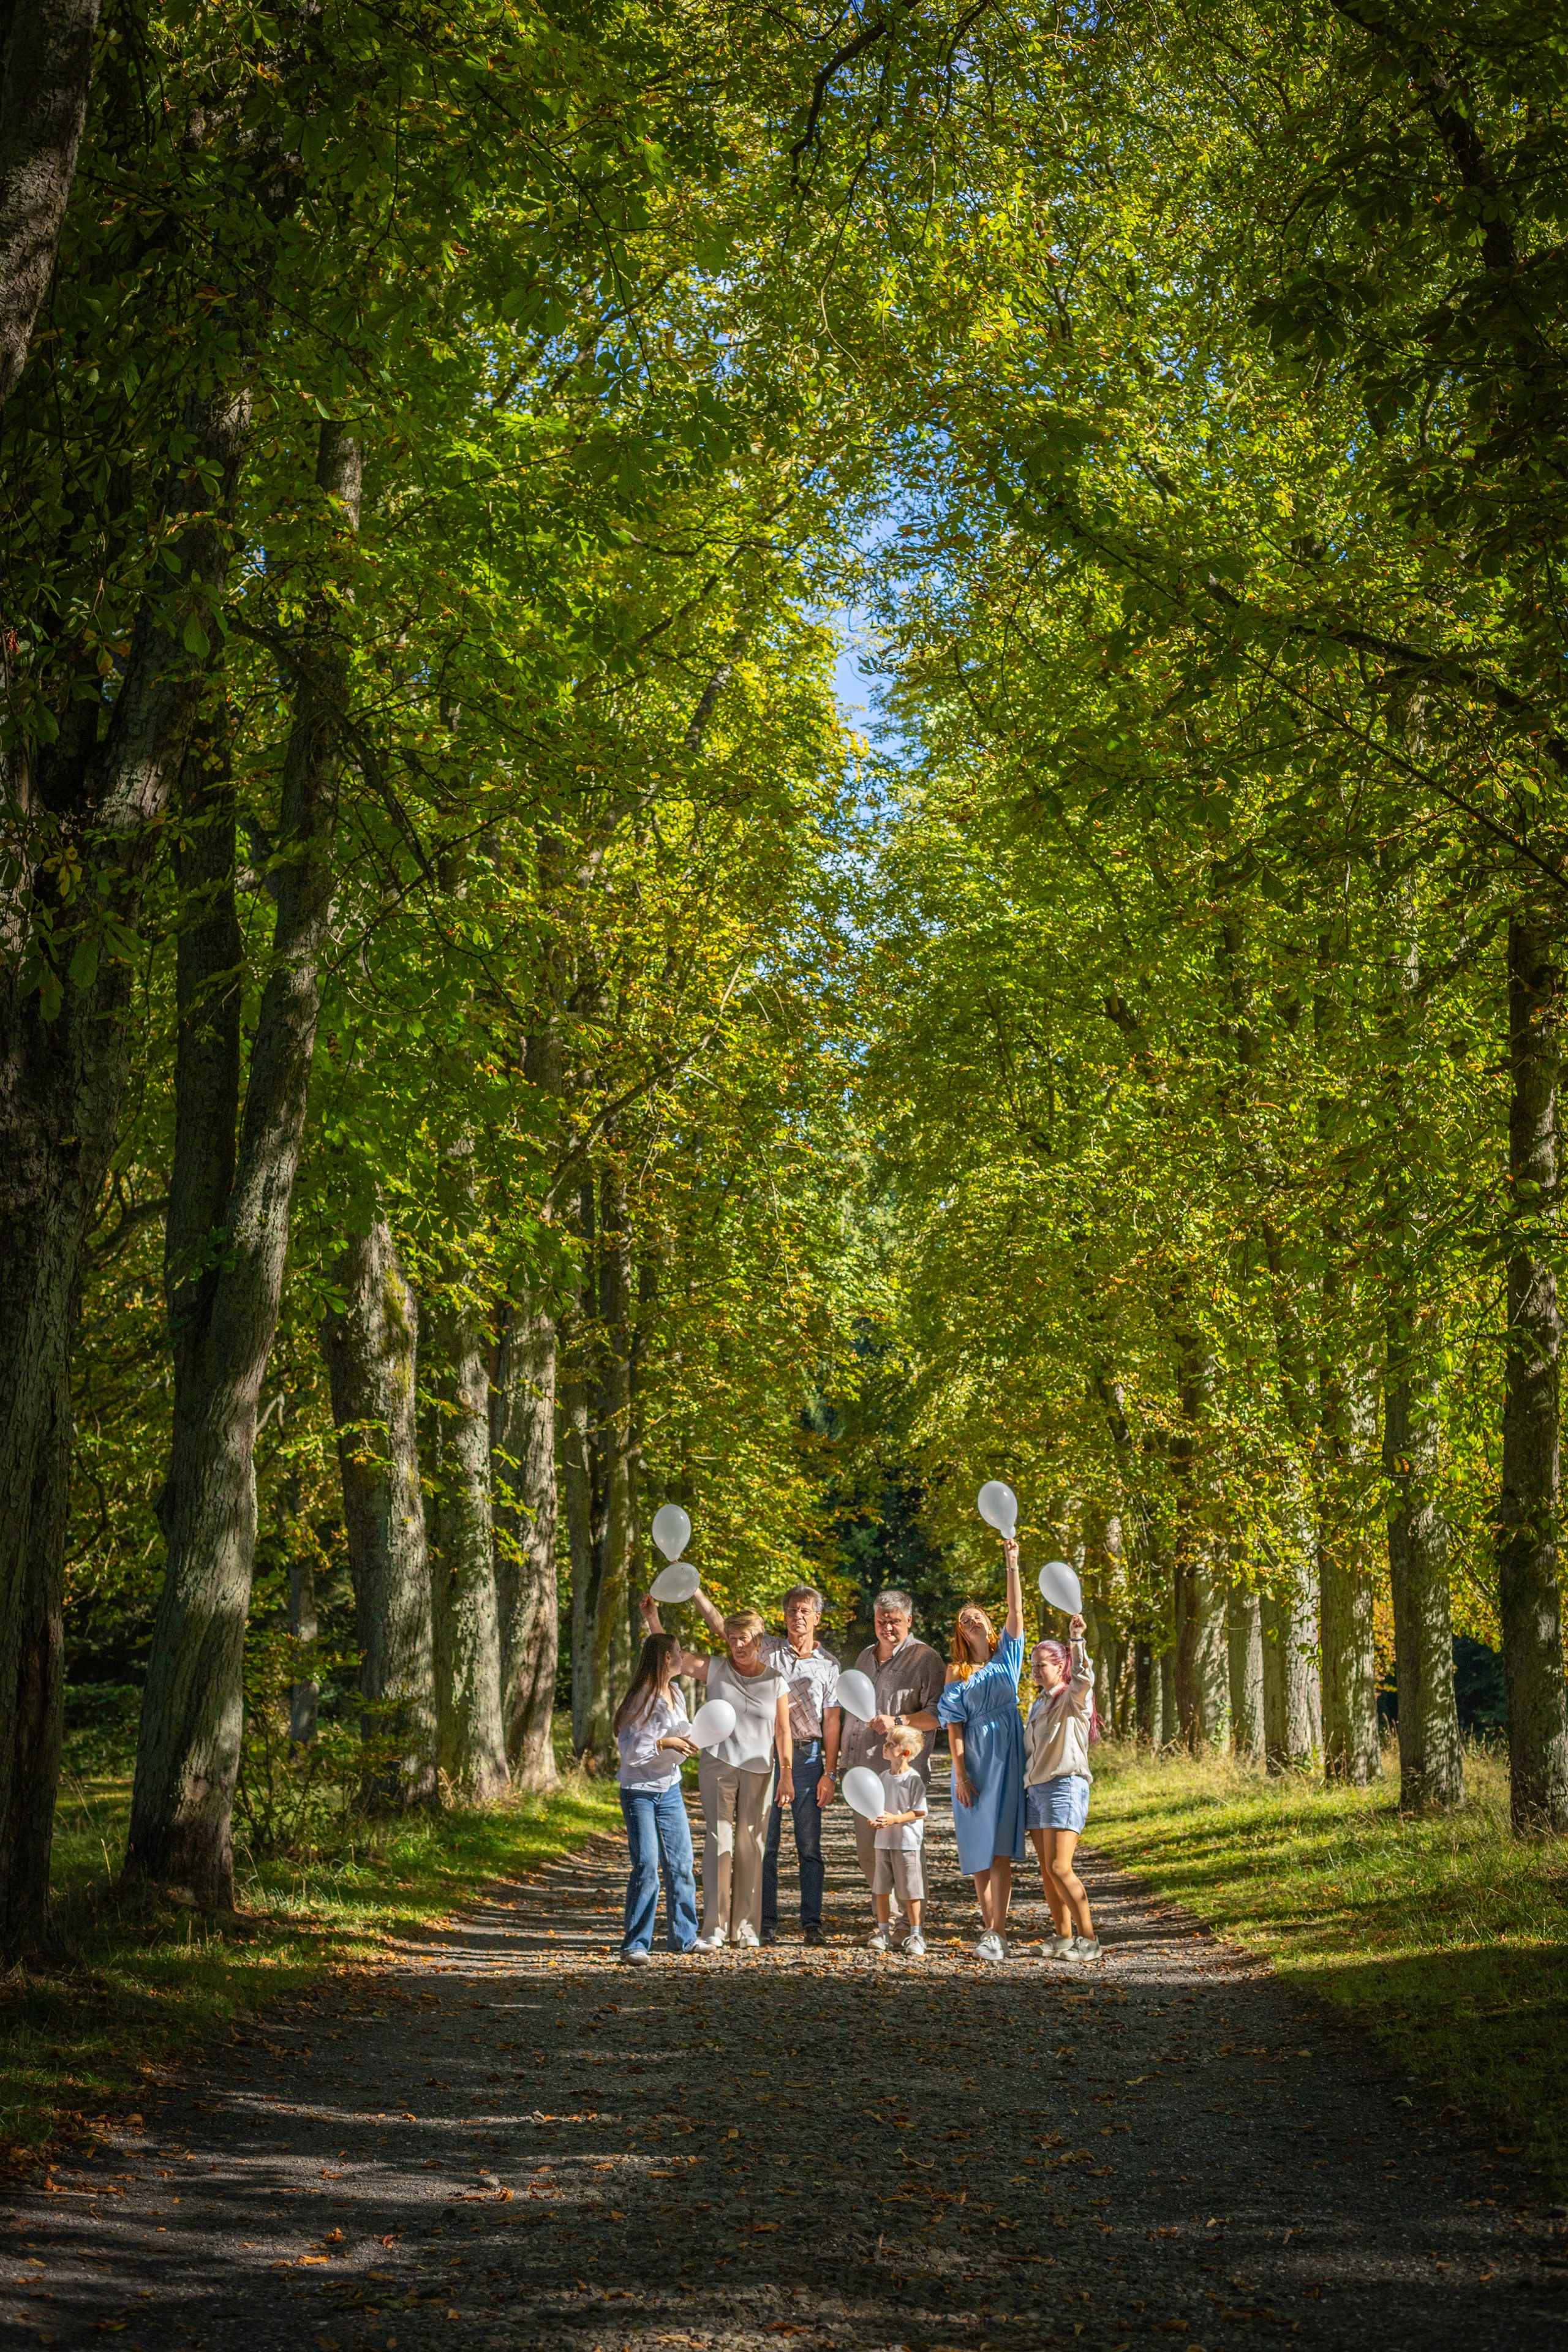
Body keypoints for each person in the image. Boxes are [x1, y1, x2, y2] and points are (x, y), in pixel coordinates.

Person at [689, 1581, 840, 1947]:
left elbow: (832, 1719)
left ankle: (811, 1924)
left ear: (817, 1618)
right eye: (791, 1611)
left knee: (809, 1846)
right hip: (763, 1752)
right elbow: (722, 1626)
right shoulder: (767, 1646)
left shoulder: (830, 1665)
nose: (797, 1617)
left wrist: (831, 1772)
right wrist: (694, 1590)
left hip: (807, 1756)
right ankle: (762, 1923)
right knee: (762, 1843)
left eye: (805, 1611)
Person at [639, 1594, 791, 1950]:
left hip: (760, 1769)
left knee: (752, 1845)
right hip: (718, 1766)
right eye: (733, 1639)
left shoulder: (776, 1681)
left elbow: (784, 1732)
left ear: (759, 1640)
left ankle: (747, 1927)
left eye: (745, 1639)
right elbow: (670, 1660)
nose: (738, 1645)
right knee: (718, 1841)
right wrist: (653, 1619)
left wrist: (786, 1773)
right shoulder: (716, 1668)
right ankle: (715, 1928)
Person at [933, 1534, 1027, 1959]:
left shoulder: (1009, 1655)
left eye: (977, 1617)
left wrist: (1012, 1564)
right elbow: (953, 1725)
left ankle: (998, 1931)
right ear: (960, 1630)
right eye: (964, 1619)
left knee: (999, 1847)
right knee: (977, 1847)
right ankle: (988, 1930)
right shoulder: (956, 1669)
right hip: (973, 1757)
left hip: (1007, 1756)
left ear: (989, 1624)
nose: (972, 1622)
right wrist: (960, 1773)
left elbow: (1017, 1610)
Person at [841, 1588, 946, 1941]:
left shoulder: (926, 1659)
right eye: (882, 1621)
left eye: (895, 1621)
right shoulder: (865, 1657)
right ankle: (885, 1927)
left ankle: (909, 1928)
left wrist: (899, 1722)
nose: (887, 1627)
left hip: (900, 1775)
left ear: (909, 1621)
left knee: (905, 1855)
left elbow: (937, 1715)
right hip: (862, 1773)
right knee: (869, 1854)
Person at [613, 1633, 700, 1964]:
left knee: (681, 1865)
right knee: (647, 1866)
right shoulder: (641, 1699)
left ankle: (685, 1939)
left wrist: (697, 1738)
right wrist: (668, 1743)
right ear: (666, 1658)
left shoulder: (676, 1693)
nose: (683, 1656)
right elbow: (630, 1752)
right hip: (639, 1793)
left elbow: (684, 1731)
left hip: (670, 1789)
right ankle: (635, 1944)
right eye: (679, 1652)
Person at [1024, 1615, 1100, 1961]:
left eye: (1042, 1665)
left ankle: (1090, 1940)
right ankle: (1063, 1936)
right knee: (1046, 1870)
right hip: (1037, 1791)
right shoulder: (1038, 1703)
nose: (1036, 1671)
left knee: (1060, 1867)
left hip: (1065, 1786)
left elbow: (1085, 1678)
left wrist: (1076, 1641)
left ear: (1060, 1666)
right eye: (1033, 1665)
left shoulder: (1072, 1697)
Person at [869, 1724, 928, 1958]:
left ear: (905, 1753)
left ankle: (916, 1934)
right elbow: (875, 1807)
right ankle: (883, 1932)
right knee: (881, 1889)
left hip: (907, 1844)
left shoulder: (914, 1780)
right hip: (883, 1842)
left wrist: (895, 1819)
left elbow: (919, 1812)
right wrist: (875, 1820)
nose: (884, 1747)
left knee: (911, 1891)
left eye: (890, 1744)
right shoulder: (882, 1777)